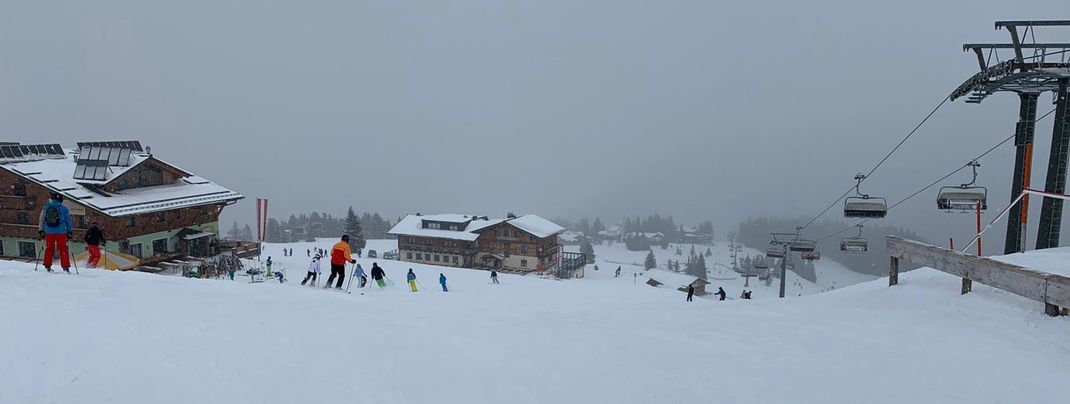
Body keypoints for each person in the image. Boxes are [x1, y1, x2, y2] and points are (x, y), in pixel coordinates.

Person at [38, 193, 73, 273]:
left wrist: (41, 230)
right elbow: (68, 221)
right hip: (61, 232)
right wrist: (69, 231)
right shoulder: (64, 209)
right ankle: (65, 267)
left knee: (49, 248)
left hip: (49, 232)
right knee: (63, 249)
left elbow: (42, 219)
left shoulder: (46, 207)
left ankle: (47, 265)